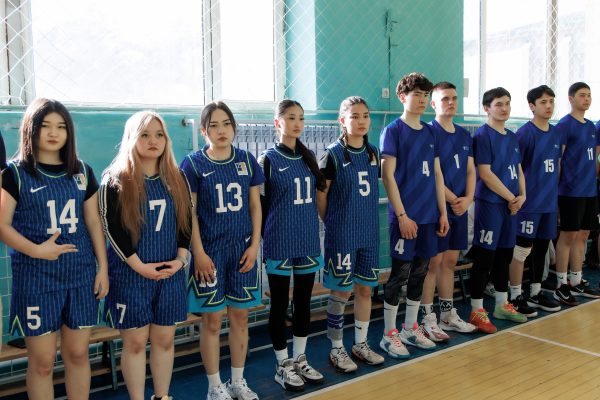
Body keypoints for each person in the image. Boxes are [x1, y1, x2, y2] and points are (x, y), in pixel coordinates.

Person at [0, 98, 109, 399]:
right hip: (36, 279)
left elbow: (93, 222)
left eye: (61, 127)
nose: (53, 132)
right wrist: (36, 250)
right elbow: (3, 225)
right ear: (30, 130)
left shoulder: (82, 171)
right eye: (45, 126)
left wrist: (103, 268)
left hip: (80, 275)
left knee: (78, 355)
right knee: (43, 362)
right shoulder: (14, 174)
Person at [100, 111, 192, 400]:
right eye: (145, 135)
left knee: (164, 339)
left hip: (168, 273)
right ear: (131, 139)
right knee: (136, 342)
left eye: (159, 134)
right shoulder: (115, 179)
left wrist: (180, 259)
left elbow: (186, 222)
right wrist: (138, 266)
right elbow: (112, 228)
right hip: (130, 275)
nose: (153, 140)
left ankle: (162, 396)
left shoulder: (177, 177)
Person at [181, 101, 263, 400]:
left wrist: (254, 246)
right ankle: (215, 387)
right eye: (213, 125)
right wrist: (199, 253)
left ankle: (237, 381)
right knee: (213, 320)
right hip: (210, 253)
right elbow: (189, 213)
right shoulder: (192, 164)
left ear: (234, 127)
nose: (221, 130)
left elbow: (255, 206)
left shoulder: (246, 160)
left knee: (240, 317)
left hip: (242, 251)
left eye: (226, 123)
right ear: (204, 131)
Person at [380, 73, 449, 355]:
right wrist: (401, 216)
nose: (421, 100)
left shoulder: (431, 132)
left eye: (425, 95)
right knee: (399, 274)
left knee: (420, 272)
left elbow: (437, 174)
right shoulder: (393, 131)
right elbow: (388, 176)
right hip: (405, 218)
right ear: (402, 97)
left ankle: (410, 328)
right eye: (416, 94)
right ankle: (388, 334)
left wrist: (443, 212)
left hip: (429, 216)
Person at [258, 100, 325, 391]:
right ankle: (282, 363)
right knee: (279, 304)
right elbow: (260, 205)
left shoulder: (308, 157)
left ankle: (300, 358)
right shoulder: (267, 159)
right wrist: (262, 238)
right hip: (279, 241)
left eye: (301, 118)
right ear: (278, 122)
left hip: (307, 240)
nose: (297, 123)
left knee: (303, 301)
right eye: (291, 118)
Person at [317, 96, 386, 372]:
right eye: (355, 116)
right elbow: (321, 197)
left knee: (365, 290)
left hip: (368, 234)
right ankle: (336, 347)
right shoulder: (331, 155)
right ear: (342, 120)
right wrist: (334, 223)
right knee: (341, 292)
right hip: (342, 236)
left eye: (365, 116)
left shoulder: (373, 152)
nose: (361, 121)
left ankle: (361, 343)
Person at [419, 82, 477, 341]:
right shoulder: (428, 133)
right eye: (444, 99)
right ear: (433, 104)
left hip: (460, 207)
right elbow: (433, 174)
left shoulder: (464, 135)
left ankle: (447, 314)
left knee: (450, 262)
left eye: (454, 98)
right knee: (433, 263)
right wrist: (453, 198)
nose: (451, 102)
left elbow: (471, 170)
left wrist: (469, 199)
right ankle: (427, 318)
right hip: (437, 208)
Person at [468, 87, 527, 334]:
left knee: (505, 255)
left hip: (510, 206)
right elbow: (485, 173)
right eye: (499, 104)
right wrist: (511, 197)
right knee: (485, 258)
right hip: (491, 205)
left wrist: (523, 196)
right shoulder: (483, 136)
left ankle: (502, 304)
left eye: (507, 103)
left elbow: (518, 169)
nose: (504, 108)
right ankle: (476, 310)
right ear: (486, 108)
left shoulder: (511, 136)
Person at [507, 86, 561, 315]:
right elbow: (516, 169)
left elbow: (556, 166)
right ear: (532, 106)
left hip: (549, 203)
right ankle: (515, 295)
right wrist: (518, 197)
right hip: (529, 205)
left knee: (541, 249)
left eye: (551, 101)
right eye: (543, 102)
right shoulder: (524, 134)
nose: (548, 106)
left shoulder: (556, 133)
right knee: (521, 251)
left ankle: (536, 292)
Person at [552, 82, 600, 305]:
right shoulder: (564, 125)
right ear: (571, 99)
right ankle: (560, 284)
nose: (587, 99)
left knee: (583, 235)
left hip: (589, 190)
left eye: (589, 95)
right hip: (570, 191)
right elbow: (558, 160)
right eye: (582, 95)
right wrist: (556, 191)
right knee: (568, 237)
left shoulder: (590, 126)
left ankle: (576, 279)